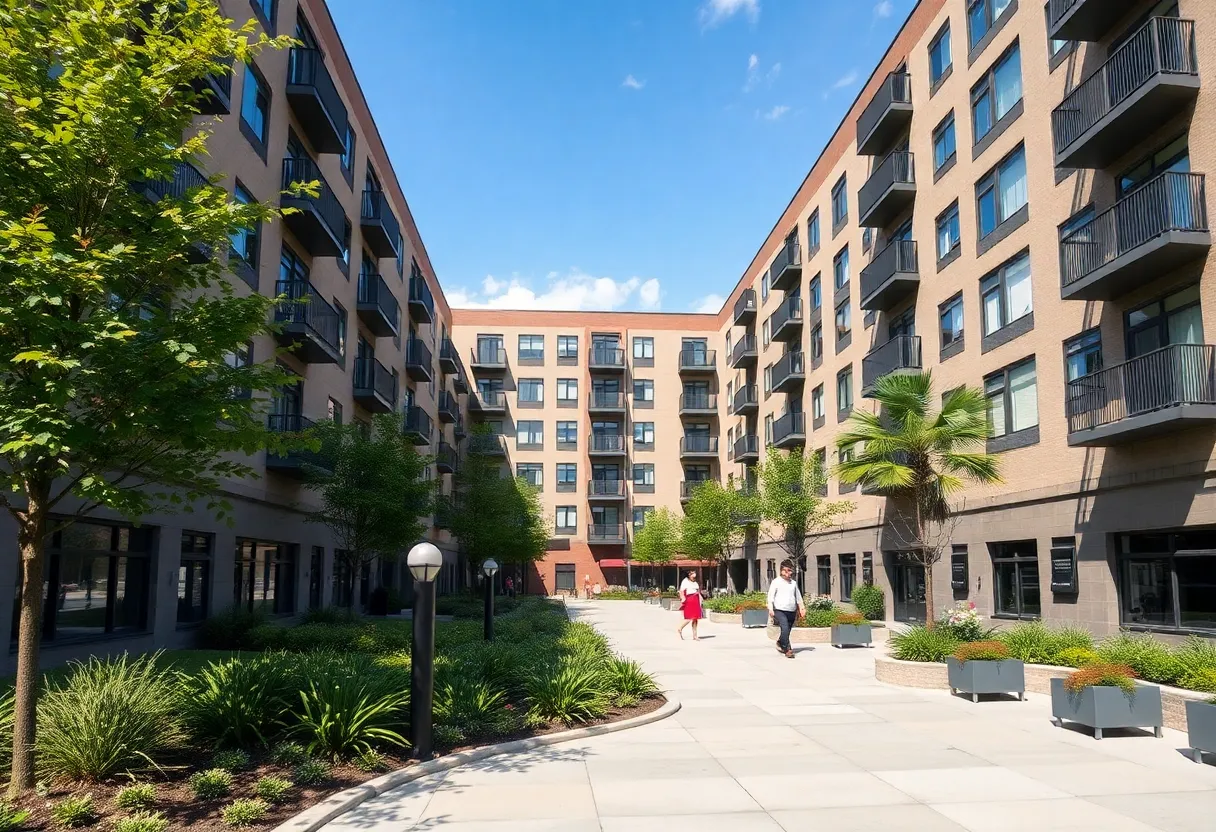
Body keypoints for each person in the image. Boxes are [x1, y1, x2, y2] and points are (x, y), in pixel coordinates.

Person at [767, 560, 806, 658]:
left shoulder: (793, 583)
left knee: (787, 631)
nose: (790, 573)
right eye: (788, 570)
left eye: (791, 570)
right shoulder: (776, 582)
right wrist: (771, 609)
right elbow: (770, 596)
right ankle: (787, 649)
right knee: (784, 627)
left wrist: (802, 607)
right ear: (782, 571)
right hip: (779, 610)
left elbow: (798, 596)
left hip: (791, 610)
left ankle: (780, 642)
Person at [676, 569, 703, 640]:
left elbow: (697, 591)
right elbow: (681, 591)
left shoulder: (695, 582)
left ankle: (695, 635)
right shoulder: (685, 581)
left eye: (694, 572)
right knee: (689, 617)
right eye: (692, 573)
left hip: (696, 600)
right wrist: (683, 599)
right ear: (689, 574)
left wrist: (701, 600)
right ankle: (680, 628)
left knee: (695, 619)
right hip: (690, 600)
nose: (694, 574)